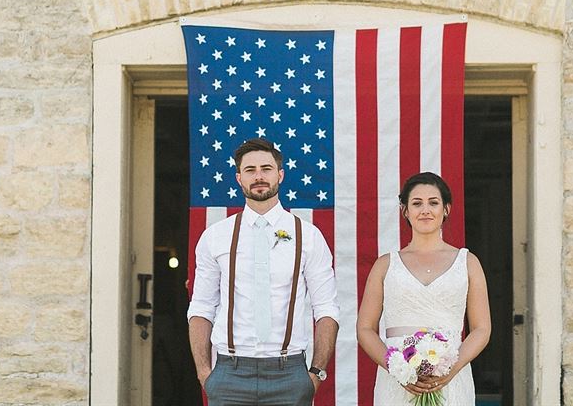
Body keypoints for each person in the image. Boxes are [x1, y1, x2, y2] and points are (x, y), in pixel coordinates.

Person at [188, 138, 339, 406]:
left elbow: (326, 308)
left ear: (280, 174)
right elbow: (201, 307)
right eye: (250, 170)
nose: (259, 176)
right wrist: (204, 373)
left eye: (266, 169)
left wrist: (316, 373)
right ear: (239, 178)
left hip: (290, 374)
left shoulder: (308, 236)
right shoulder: (215, 236)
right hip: (229, 374)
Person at [357, 172, 491, 405]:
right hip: (397, 378)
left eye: (433, 203)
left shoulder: (468, 263)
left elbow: (481, 328)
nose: (425, 210)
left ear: (446, 209)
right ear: (405, 211)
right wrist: (395, 367)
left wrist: (451, 368)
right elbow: (365, 328)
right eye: (417, 203)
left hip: (451, 377)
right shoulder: (385, 265)